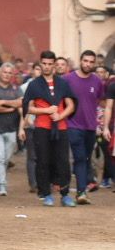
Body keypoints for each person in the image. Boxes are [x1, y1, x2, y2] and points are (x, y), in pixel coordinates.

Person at [23, 52, 74, 207]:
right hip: (42, 127)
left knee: (63, 161)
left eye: (50, 63)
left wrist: (60, 116)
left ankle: (65, 195)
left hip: (61, 127)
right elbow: (28, 108)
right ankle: (46, 194)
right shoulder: (34, 84)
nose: (47, 66)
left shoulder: (62, 83)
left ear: (54, 64)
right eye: (44, 63)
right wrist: (45, 111)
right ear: (40, 64)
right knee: (43, 161)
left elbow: (71, 105)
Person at [63, 49, 105, 204]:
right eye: (85, 61)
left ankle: (82, 186)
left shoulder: (97, 82)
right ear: (80, 61)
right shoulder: (67, 79)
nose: (88, 64)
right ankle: (81, 192)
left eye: (91, 62)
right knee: (80, 157)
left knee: (86, 159)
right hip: (72, 124)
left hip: (90, 127)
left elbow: (101, 102)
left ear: (94, 64)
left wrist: (101, 123)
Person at [0, 61, 24, 197]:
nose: (7, 75)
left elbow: (21, 103)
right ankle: (0, 185)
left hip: (11, 129)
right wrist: (10, 108)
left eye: (10, 73)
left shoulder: (16, 89)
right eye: (5, 72)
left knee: (5, 159)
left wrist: (2, 102)